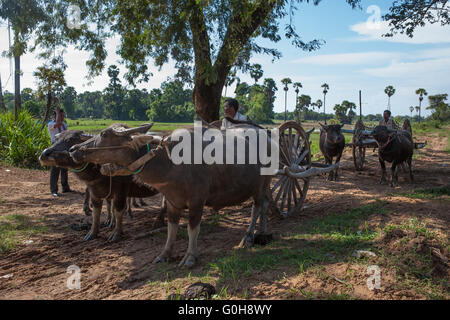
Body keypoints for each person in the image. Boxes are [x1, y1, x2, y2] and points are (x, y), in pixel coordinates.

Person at [48, 106, 72, 196]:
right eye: (60, 116)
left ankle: (65, 188)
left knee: (64, 168)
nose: (62, 118)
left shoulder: (64, 125)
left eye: (63, 116)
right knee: (55, 169)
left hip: (64, 146)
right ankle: (54, 190)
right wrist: (57, 112)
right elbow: (57, 124)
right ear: (56, 116)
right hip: (55, 146)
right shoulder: (51, 124)